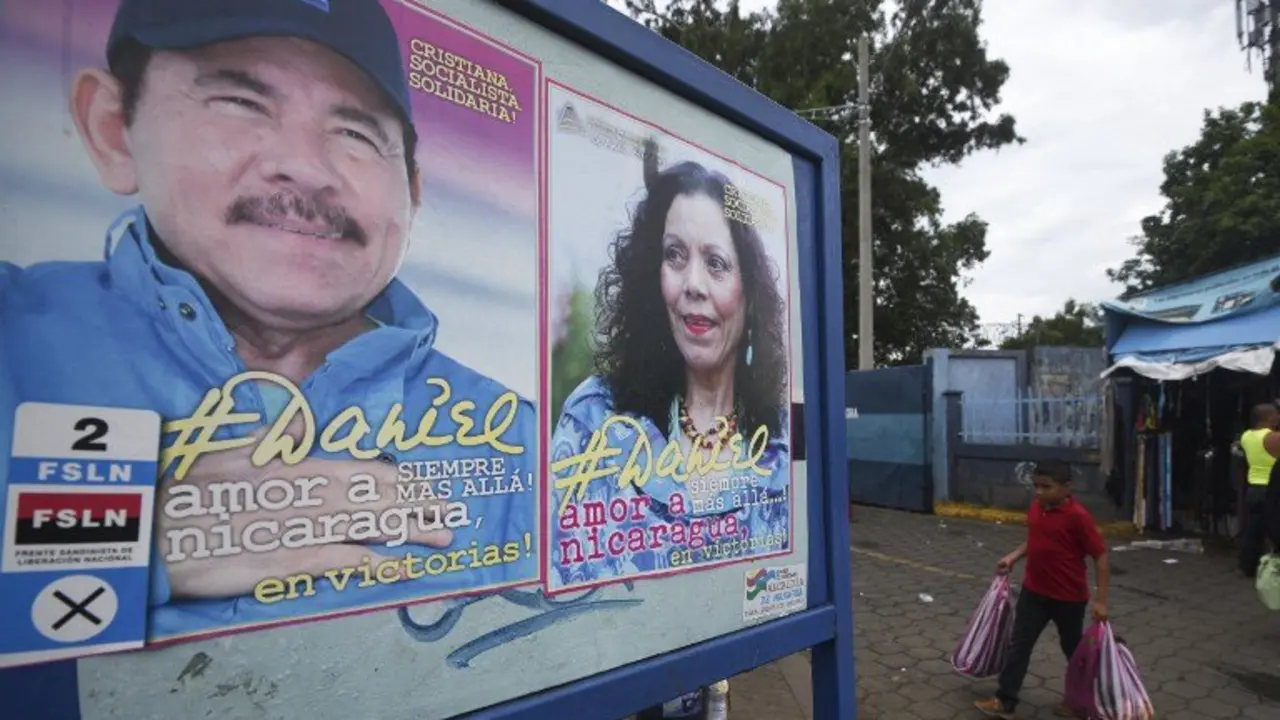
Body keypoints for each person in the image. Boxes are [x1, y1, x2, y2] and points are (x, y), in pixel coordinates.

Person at [0, 0, 536, 641]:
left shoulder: (509, 434)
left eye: (357, 133)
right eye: (240, 102)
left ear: (412, 194)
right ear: (114, 129)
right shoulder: (18, 340)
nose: (306, 167)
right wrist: (123, 541)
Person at [548, 138, 790, 588]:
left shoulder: (782, 440)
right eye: (674, 255)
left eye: (716, 263)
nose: (692, 284)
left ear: (751, 294)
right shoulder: (594, 420)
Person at [975, 460, 1111, 720]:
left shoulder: (1078, 517)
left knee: (1074, 651)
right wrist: (1013, 556)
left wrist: (1101, 601)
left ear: (1066, 487)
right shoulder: (1037, 507)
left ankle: (1079, 701)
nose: (1038, 492)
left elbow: (1101, 556)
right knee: (1019, 646)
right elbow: (1035, 540)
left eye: (1046, 487)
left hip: (1069, 599)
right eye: (1036, 486)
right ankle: (1006, 700)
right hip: (1033, 592)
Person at [1238, 402, 1280, 577]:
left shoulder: (1246, 436)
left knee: (1253, 530)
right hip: (1270, 490)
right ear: (1269, 418)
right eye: (1276, 414)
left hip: (1253, 488)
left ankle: (1248, 565)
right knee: (1274, 528)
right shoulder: (1271, 437)